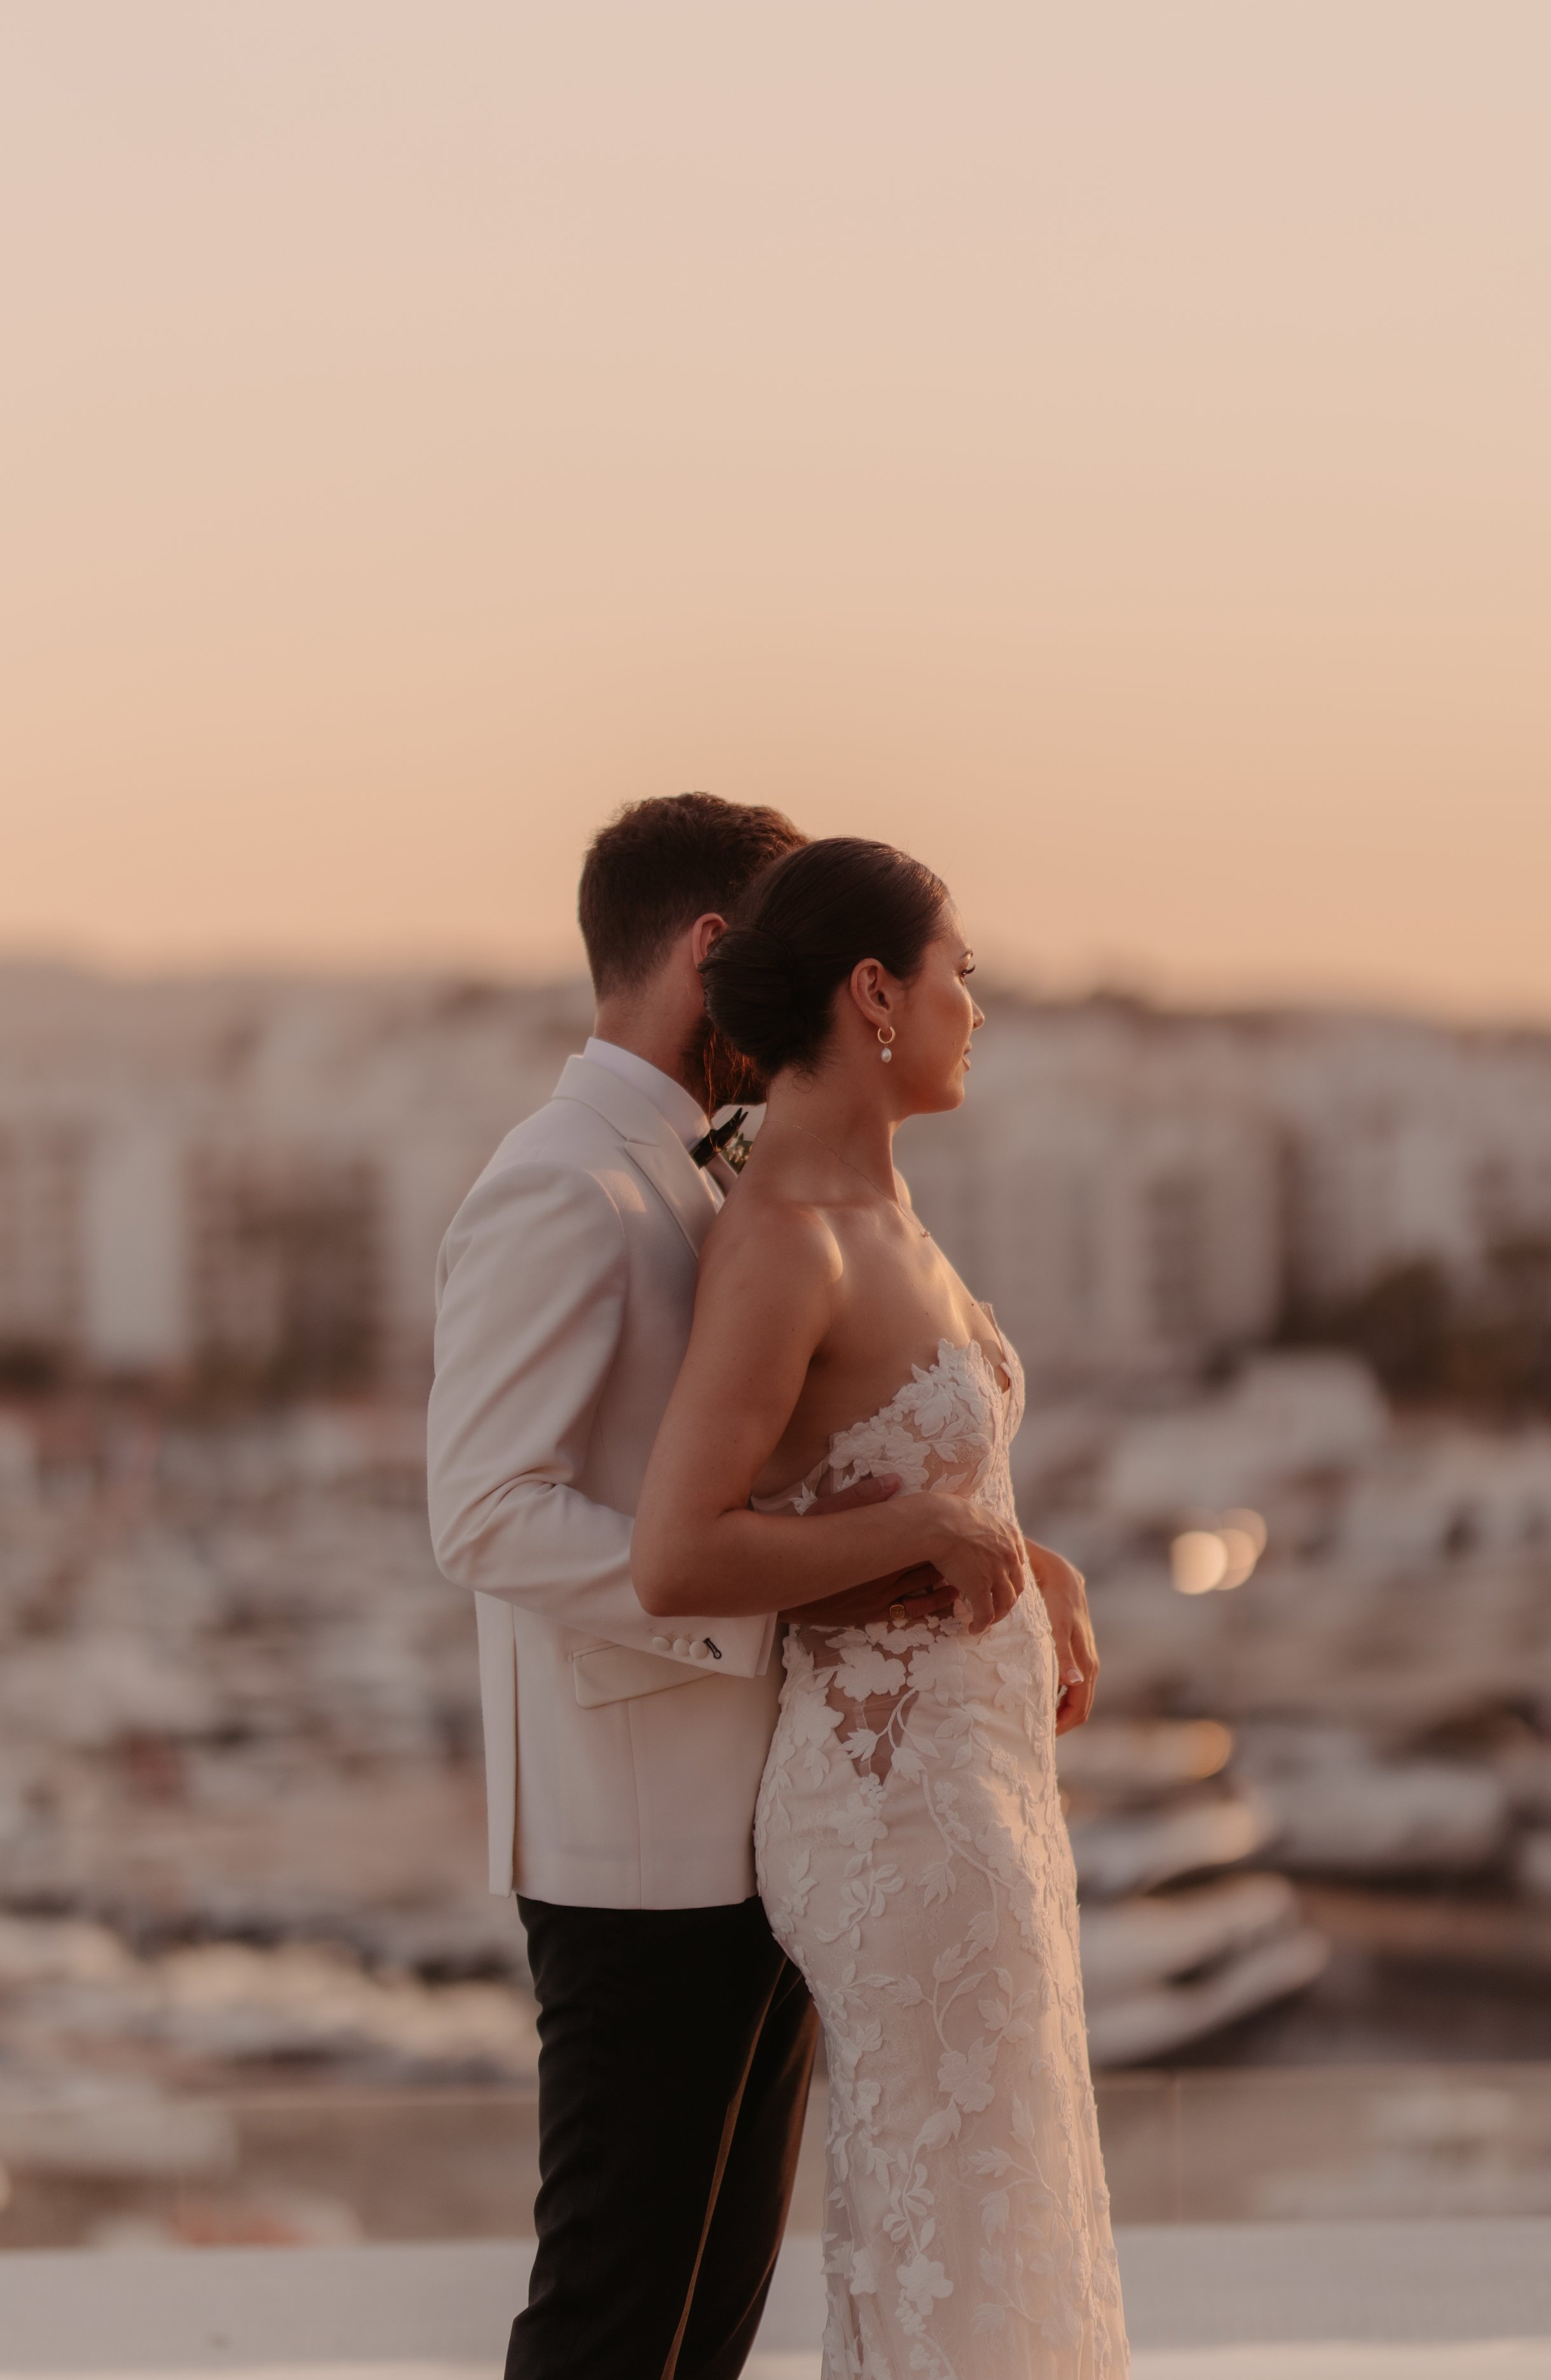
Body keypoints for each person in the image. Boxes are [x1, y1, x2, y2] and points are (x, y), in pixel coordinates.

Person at [428, 795, 962, 2380]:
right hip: (632, 1849)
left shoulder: (706, 1176)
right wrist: (770, 1602)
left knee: (702, 2333)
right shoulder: (558, 1186)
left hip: (756, 1834)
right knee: (613, 2319)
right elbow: (486, 1513)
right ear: (710, 954)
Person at [632, 838, 1126, 2379]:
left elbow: (894, 1466)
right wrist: (924, 1520)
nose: (972, 1006)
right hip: (890, 1811)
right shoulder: (782, 1242)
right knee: (954, 2240)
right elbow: (675, 1554)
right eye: (954, 974)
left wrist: (1022, 1557)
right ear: (872, 995)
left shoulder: (887, 1212)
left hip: (976, 1789)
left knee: (1002, 2222)